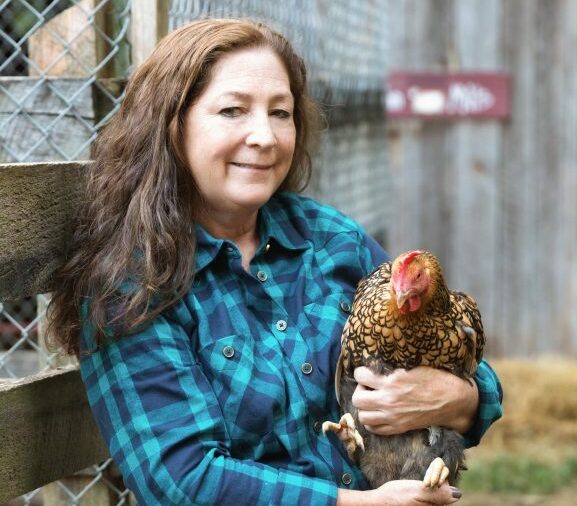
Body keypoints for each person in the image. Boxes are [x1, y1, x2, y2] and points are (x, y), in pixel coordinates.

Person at [48, 18, 503, 506]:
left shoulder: (333, 240)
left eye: (280, 113)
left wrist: (461, 399)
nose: (264, 136)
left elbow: (461, 354)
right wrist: (362, 504)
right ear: (171, 125)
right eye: (232, 111)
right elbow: (182, 479)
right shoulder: (134, 282)